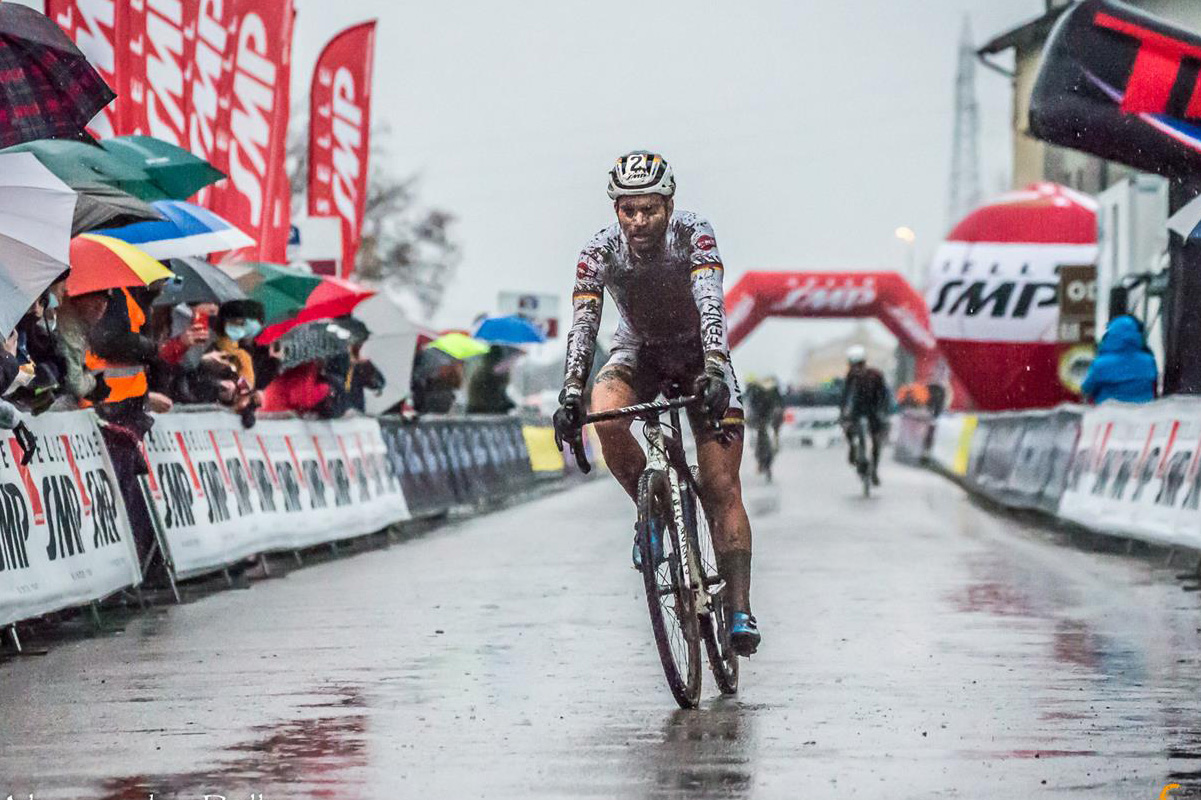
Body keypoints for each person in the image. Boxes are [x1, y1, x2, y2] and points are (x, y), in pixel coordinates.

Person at [551, 150, 760, 656]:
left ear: (668, 205)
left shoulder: (693, 234)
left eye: (649, 209)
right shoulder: (598, 251)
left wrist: (713, 368)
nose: (639, 221)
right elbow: (585, 327)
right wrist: (571, 393)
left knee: (719, 485)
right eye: (628, 210)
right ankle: (655, 509)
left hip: (697, 354)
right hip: (638, 351)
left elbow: (712, 303)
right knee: (604, 410)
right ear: (615, 210)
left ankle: (738, 609)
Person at [840, 345, 889, 486]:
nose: (856, 369)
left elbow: (884, 395)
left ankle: (874, 471)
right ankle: (852, 448)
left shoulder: (876, 375)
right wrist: (844, 413)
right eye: (853, 365)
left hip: (873, 411)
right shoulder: (850, 378)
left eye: (859, 365)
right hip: (857, 411)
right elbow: (845, 396)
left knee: (876, 441)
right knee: (848, 429)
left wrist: (883, 411)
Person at [1081, 314, 1158, 404]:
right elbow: (1153, 386)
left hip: (1110, 411)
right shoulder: (1148, 361)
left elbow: (1086, 388)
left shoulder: (1101, 364)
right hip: (1141, 412)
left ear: (1111, 334)